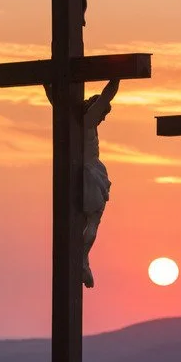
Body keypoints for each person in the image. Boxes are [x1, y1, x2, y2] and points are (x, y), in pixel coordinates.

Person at [44, 79, 120, 288]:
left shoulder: (72, 122)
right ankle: (82, 258)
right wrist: (117, 77)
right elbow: (107, 95)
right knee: (94, 219)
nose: (103, 119)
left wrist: (47, 83)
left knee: (84, 221)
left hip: (75, 173)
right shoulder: (89, 121)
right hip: (90, 174)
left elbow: (57, 103)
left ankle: (82, 260)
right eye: (104, 114)